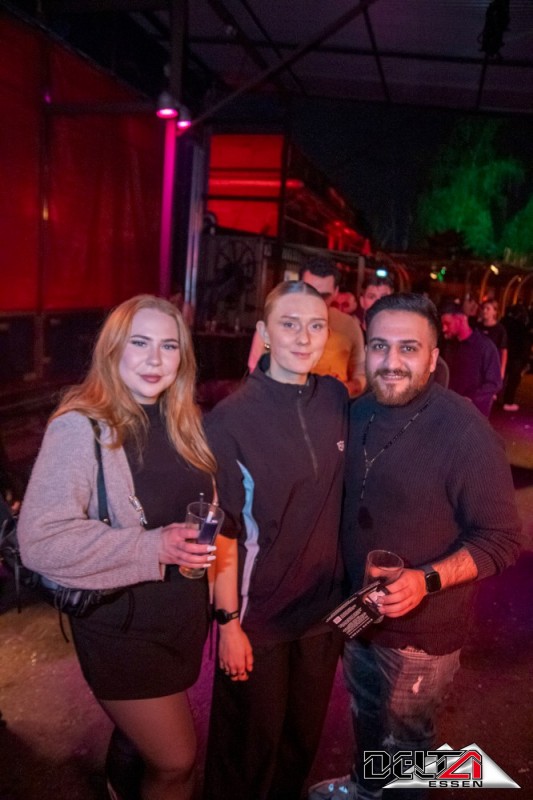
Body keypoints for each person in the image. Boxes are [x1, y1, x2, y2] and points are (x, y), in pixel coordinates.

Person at [309, 293, 523, 800]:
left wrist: (425, 580)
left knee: (408, 739)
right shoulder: (357, 413)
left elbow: (502, 538)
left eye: (409, 348)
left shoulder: (463, 430)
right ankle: (367, 787)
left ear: (432, 358)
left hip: (422, 635)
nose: (392, 361)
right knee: (365, 710)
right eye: (380, 346)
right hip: (360, 614)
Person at [18, 295, 217, 800]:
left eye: (169, 346)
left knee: (138, 741)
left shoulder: (182, 420)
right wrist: (153, 547)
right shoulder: (80, 427)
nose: (155, 359)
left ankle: (118, 785)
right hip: (121, 630)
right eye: (140, 343)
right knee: (176, 761)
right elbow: (40, 540)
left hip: (176, 620)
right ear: (112, 350)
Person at [203, 281, 348, 800]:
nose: (304, 338)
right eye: (289, 324)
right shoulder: (230, 420)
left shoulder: (335, 397)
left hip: (322, 614)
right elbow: (223, 531)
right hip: (259, 618)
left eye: (315, 325)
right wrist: (227, 624)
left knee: (297, 748)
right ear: (264, 333)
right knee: (246, 755)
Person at [248, 257, 366, 397]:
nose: (316, 301)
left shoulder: (349, 326)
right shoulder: (276, 322)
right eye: (310, 291)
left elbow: (361, 374)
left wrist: (342, 390)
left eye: (324, 296)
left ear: (336, 292)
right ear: (298, 286)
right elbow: (255, 371)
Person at [440, 301, 502, 416]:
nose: (444, 328)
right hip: (449, 410)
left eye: (447, 323)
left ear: (461, 319)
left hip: (474, 414)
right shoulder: (448, 345)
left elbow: (494, 382)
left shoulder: (485, 346)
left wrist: (471, 398)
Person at [501, 303, 532, 411]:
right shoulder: (522, 327)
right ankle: (508, 401)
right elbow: (524, 342)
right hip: (516, 356)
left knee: (502, 376)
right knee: (513, 380)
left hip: (506, 352)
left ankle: (495, 395)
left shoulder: (505, 322)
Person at [354, 275, 394, 340]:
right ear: (362, 301)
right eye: (372, 297)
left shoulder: (400, 334)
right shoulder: (351, 334)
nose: (377, 302)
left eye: (383, 297)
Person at [478, 299, 508, 379]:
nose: (484, 311)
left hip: (491, 365)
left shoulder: (500, 330)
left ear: (494, 312)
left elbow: (503, 351)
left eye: (488, 309)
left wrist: (501, 371)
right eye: (483, 308)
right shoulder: (477, 327)